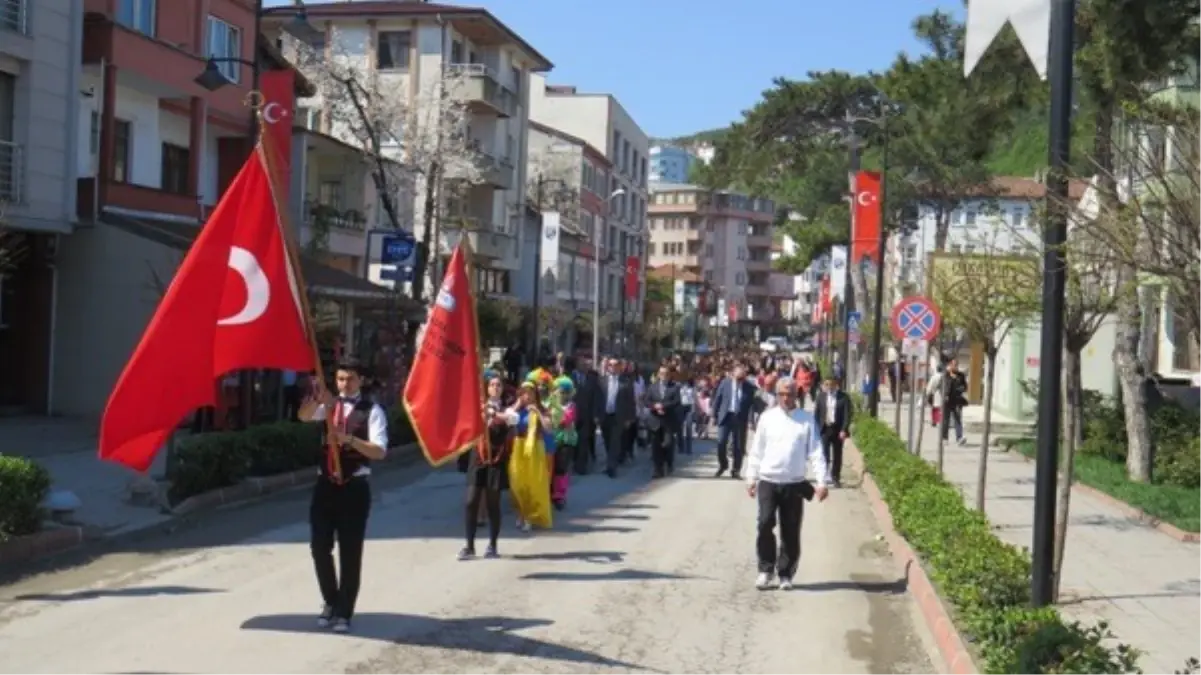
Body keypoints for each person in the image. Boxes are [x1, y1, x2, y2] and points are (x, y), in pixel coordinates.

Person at [298, 360, 389, 634]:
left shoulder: (372, 411)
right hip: (325, 485)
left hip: (354, 488)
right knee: (319, 547)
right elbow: (303, 416)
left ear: (360, 380)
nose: (344, 384)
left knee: (350, 551)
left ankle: (344, 611)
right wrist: (317, 400)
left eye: (349, 379)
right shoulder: (328, 406)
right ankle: (330, 600)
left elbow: (380, 451)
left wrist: (348, 440)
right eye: (339, 379)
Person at [745, 377, 830, 590]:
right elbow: (757, 450)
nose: (786, 398)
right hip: (768, 480)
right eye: (782, 393)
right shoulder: (767, 418)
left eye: (790, 394)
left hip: (794, 483)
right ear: (777, 394)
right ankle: (766, 570)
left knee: (790, 530)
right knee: (765, 523)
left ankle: (786, 573)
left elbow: (816, 451)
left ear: (796, 395)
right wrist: (751, 477)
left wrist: (821, 481)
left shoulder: (806, 420)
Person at [460, 376, 514, 560]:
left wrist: (493, 414)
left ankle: (492, 544)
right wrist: (482, 412)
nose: (495, 387)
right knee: (470, 501)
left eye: (499, 385)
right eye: (492, 385)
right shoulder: (479, 407)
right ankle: (469, 546)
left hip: (496, 459)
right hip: (478, 457)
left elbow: (511, 419)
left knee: (493, 504)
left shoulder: (507, 408)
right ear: (487, 388)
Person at [507, 381, 555, 531]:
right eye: (524, 392)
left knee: (533, 484)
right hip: (519, 448)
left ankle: (529, 516)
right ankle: (521, 513)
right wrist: (517, 404)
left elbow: (549, 428)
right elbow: (507, 420)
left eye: (530, 392)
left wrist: (538, 412)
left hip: (535, 449)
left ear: (536, 395)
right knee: (517, 483)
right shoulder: (517, 409)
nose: (527, 396)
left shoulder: (541, 409)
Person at [711, 362, 757, 479]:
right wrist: (713, 416)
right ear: (732, 374)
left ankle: (736, 470)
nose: (740, 380)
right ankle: (723, 465)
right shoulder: (725, 383)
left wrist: (751, 420)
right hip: (725, 416)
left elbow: (752, 405)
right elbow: (717, 399)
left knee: (739, 446)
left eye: (743, 377)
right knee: (721, 442)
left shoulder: (749, 387)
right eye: (738, 378)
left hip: (740, 418)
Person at [601, 357, 637, 478]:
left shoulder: (626, 381)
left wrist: (630, 418)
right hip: (605, 415)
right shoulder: (602, 380)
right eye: (610, 365)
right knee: (607, 440)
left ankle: (612, 467)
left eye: (615, 365)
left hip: (618, 416)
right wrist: (596, 415)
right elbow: (597, 398)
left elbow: (631, 401)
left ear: (619, 366)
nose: (612, 367)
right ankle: (610, 462)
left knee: (615, 441)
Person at [813, 377, 852, 487]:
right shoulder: (821, 396)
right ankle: (824, 476)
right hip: (825, 429)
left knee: (837, 454)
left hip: (838, 429)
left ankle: (836, 477)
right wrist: (816, 427)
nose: (829, 387)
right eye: (826, 384)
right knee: (824, 454)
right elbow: (817, 413)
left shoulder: (844, 397)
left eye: (831, 384)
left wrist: (844, 429)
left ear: (836, 385)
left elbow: (847, 415)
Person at [645, 364, 682, 478]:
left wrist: (663, 406)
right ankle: (657, 469)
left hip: (668, 420)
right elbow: (647, 401)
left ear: (669, 375)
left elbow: (676, 402)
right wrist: (654, 406)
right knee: (656, 446)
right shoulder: (652, 387)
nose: (663, 376)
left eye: (666, 374)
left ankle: (668, 462)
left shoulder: (674, 387)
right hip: (655, 420)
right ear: (658, 375)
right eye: (661, 373)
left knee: (667, 444)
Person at [549, 376, 578, 509]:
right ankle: (550, 492)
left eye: (566, 392)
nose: (563, 394)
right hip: (550, 440)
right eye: (560, 391)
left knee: (561, 469)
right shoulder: (549, 404)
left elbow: (565, 420)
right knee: (551, 468)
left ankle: (559, 496)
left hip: (565, 441)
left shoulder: (571, 406)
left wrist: (554, 420)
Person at [677, 376, 696, 455]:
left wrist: (694, 409)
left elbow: (694, 398)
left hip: (689, 407)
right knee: (680, 428)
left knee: (689, 427)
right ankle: (681, 447)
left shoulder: (692, 386)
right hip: (681, 407)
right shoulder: (678, 385)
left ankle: (689, 448)